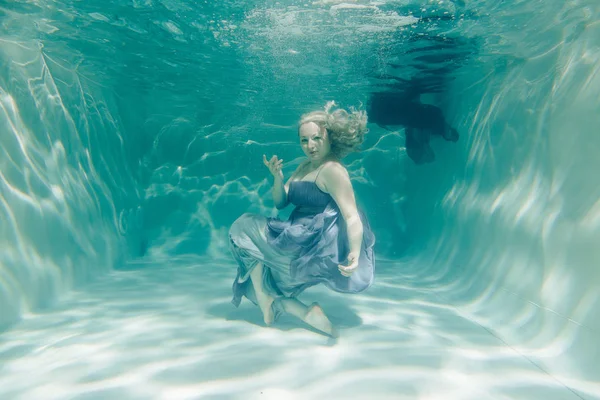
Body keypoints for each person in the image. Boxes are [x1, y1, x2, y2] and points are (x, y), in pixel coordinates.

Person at [228, 101, 376, 337]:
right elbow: (281, 202)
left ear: (330, 137)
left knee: (242, 228)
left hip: (308, 243)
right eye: (304, 140)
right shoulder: (304, 166)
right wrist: (277, 177)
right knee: (257, 278)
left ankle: (278, 304)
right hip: (292, 233)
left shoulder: (332, 170)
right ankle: (300, 311)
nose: (310, 146)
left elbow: (351, 215)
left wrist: (355, 253)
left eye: (316, 138)